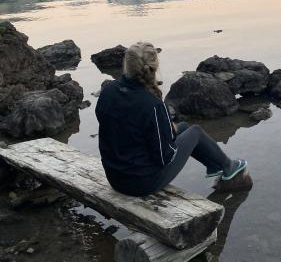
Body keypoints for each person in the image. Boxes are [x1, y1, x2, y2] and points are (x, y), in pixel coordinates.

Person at [95, 42, 247, 197]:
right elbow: (164, 157)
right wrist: (167, 134)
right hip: (141, 183)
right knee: (195, 132)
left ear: (127, 65)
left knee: (183, 127)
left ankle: (215, 165)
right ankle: (228, 166)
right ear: (154, 67)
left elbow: (122, 130)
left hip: (115, 177)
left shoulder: (108, 91)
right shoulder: (152, 105)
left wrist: (168, 130)